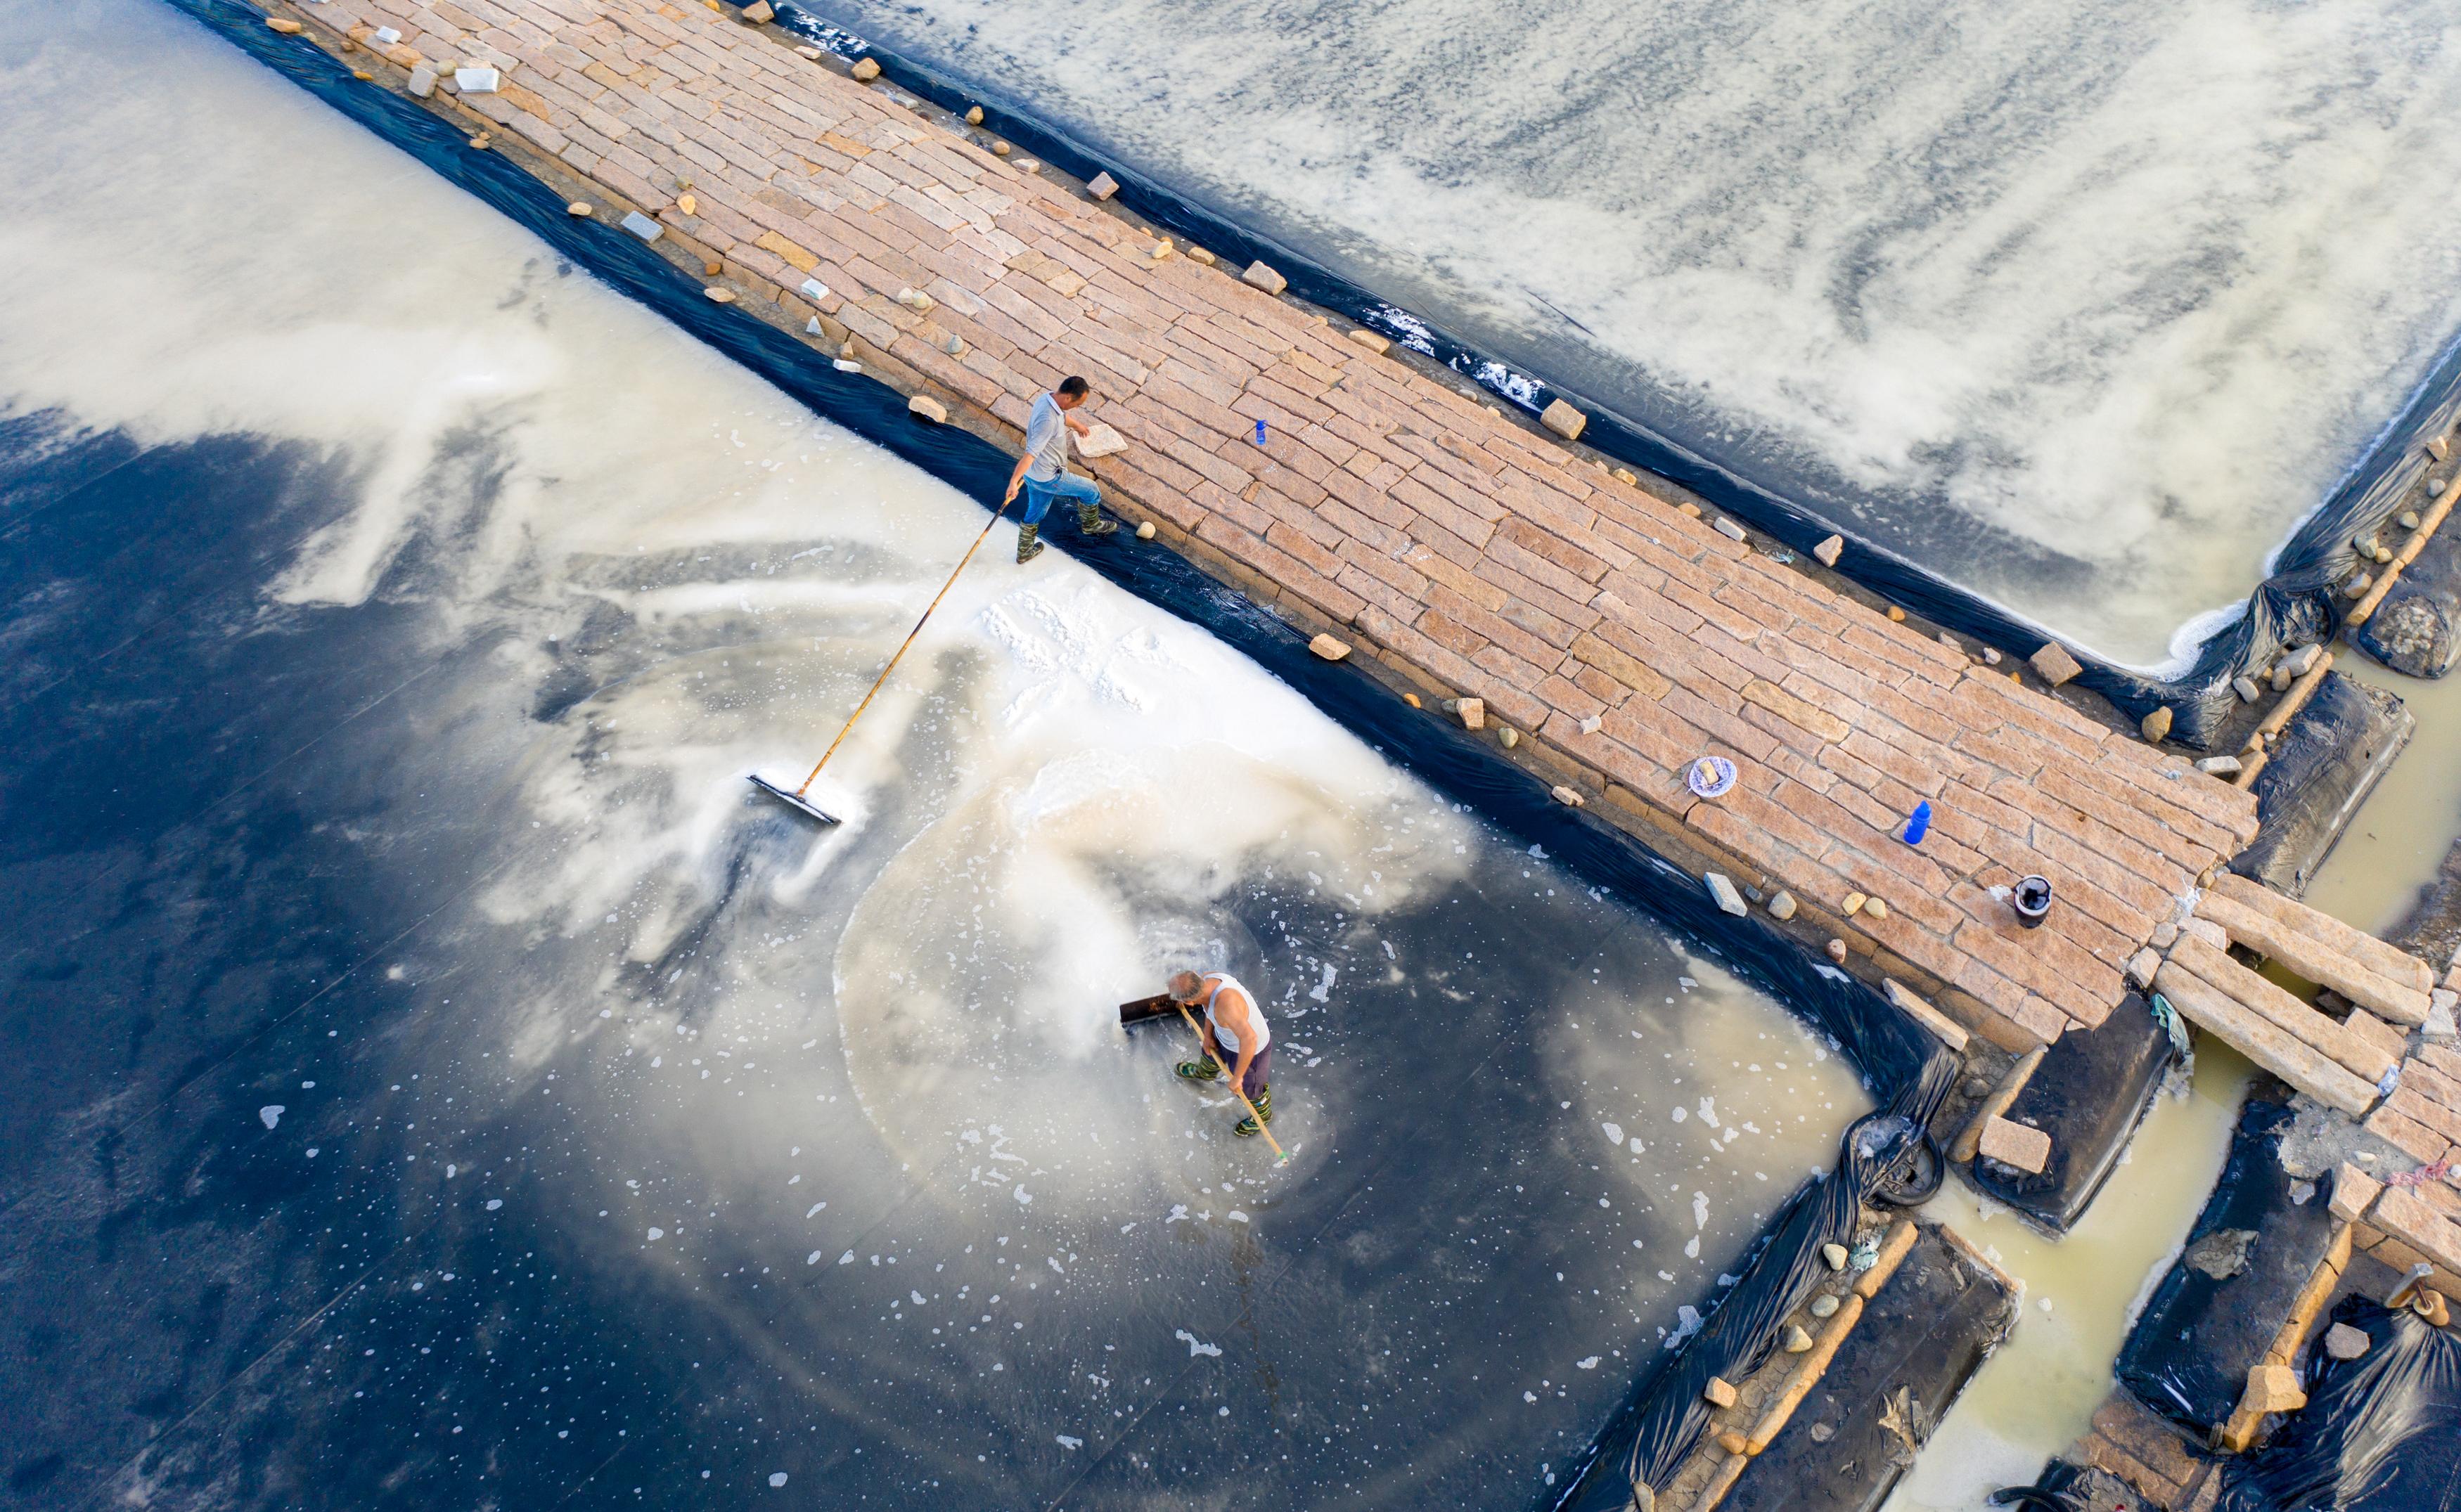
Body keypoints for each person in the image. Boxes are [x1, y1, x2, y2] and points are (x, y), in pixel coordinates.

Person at [1003, 375, 1115, 564]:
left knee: (1036, 511)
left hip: (1033, 476)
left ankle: (1024, 552)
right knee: (1091, 490)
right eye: (1078, 404)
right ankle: (1091, 525)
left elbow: (1062, 417)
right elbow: (1031, 454)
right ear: (1068, 397)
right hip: (1051, 477)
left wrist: (1078, 426)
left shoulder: (1046, 398)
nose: (1077, 407)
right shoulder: (1048, 421)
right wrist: (1014, 482)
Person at [1167, 969, 1272, 1136]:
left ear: (1189, 1002)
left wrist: (1238, 1077)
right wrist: (1208, 1035)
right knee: (1209, 1054)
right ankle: (1205, 1073)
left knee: (1250, 1090)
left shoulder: (1226, 1006)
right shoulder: (1207, 979)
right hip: (1226, 1035)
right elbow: (1210, 1009)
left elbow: (1250, 1039)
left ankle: (1263, 1116)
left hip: (1251, 1050)